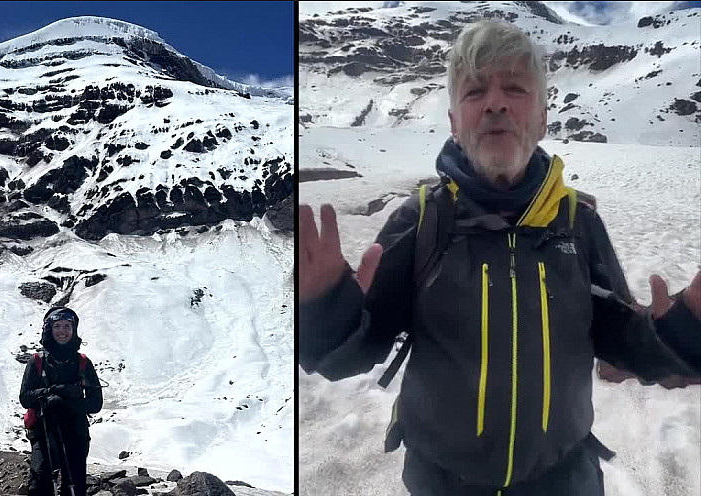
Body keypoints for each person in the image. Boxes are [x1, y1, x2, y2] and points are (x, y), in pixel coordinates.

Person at [298, 20, 701, 495]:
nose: (495, 103)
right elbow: (354, 354)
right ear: (453, 120)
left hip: (564, 479)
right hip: (442, 483)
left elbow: (620, 340)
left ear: (543, 116)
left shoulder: (577, 222)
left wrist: (681, 331)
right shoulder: (423, 220)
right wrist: (325, 313)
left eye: (515, 88)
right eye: (473, 92)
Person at [20, 306, 103, 496]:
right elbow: (25, 397)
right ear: (49, 328)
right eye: (57, 326)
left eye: (67, 326)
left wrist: (67, 402)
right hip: (44, 431)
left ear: (74, 330)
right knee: (40, 482)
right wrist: (49, 394)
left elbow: (95, 403)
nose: (62, 331)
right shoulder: (37, 361)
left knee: (74, 484)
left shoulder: (83, 362)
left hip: (76, 432)